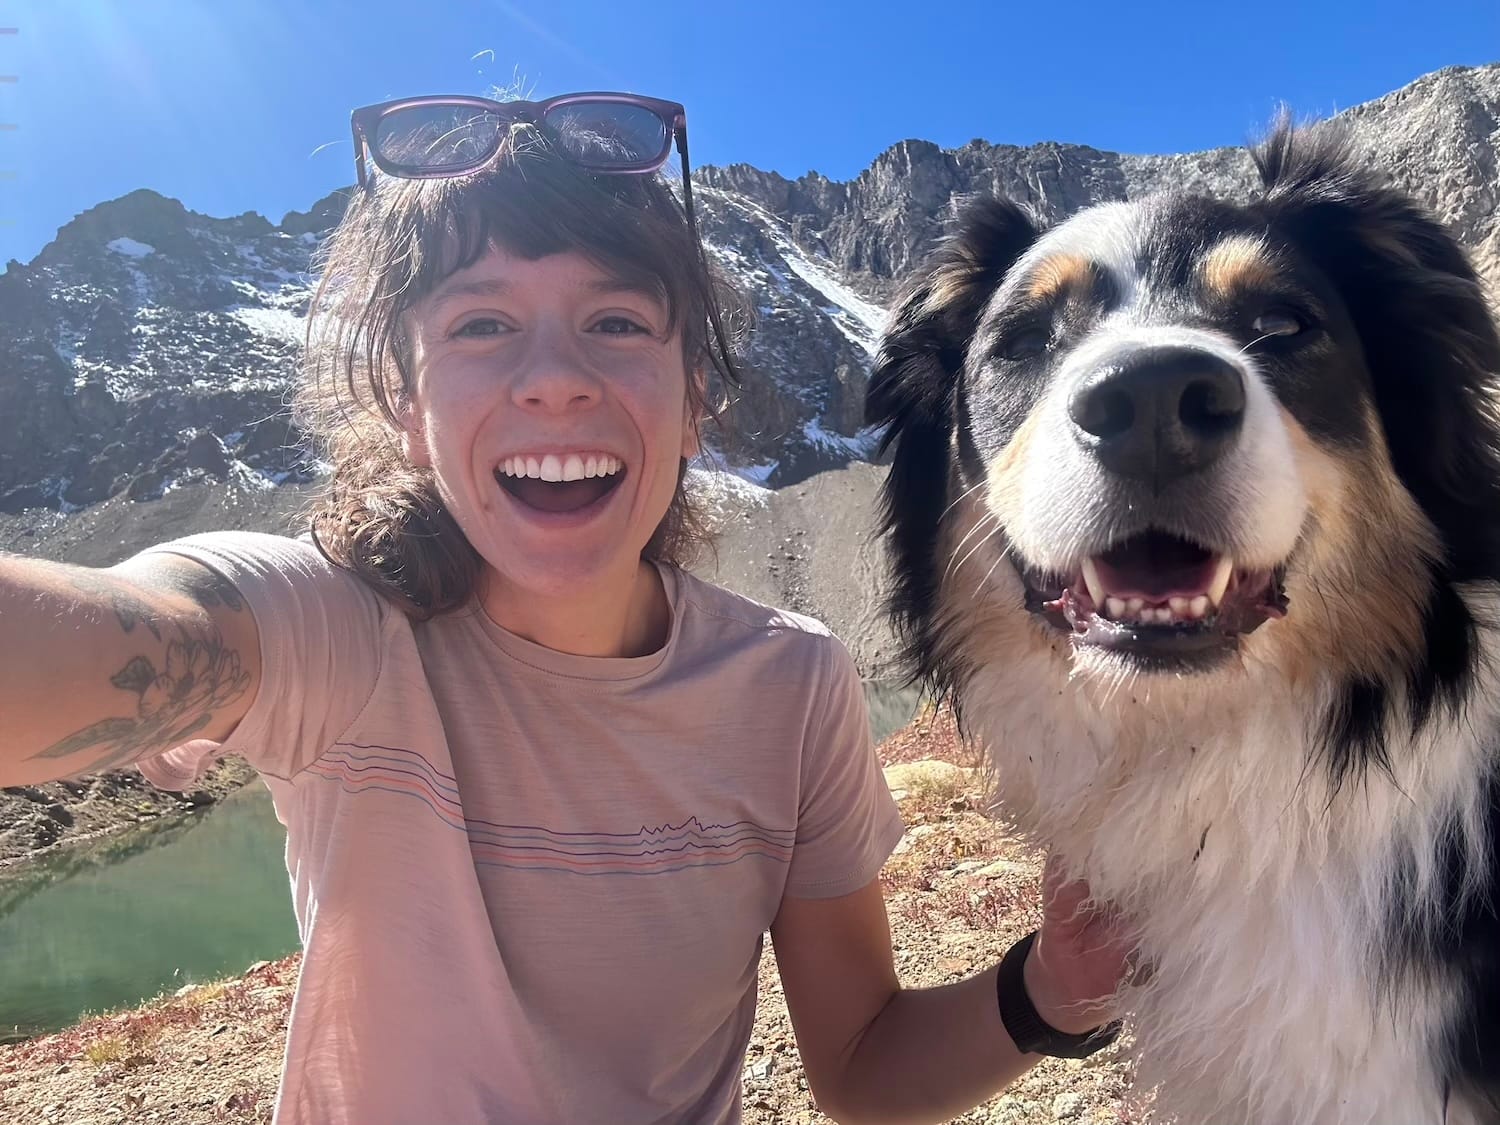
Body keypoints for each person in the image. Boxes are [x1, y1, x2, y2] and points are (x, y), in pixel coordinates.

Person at [0, 90, 1133, 1124]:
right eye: (481, 325)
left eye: (618, 323)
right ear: (406, 404)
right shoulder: (338, 637)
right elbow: (126, 630)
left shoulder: (792, 686)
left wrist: (1050, 993)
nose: (554, 377)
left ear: (695, 401)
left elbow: (863, 1067)